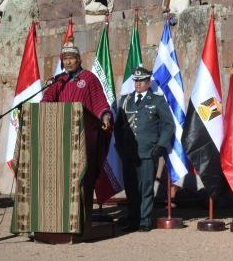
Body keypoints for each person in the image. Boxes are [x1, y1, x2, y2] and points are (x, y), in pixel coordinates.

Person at [41, 41, 112, 227]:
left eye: (71, 58)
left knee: (82, 178)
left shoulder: (88, 78)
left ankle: (82, 218)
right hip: (61, 138)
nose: (68, 62)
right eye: (65, 59)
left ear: (79, 59)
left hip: (84, 138)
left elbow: (100, 103)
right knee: (61, 179)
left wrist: (105, 116)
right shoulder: (59, 81)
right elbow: (47, 99)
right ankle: (61, 217)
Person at [114, 67, 175, 232]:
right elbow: (118, 127)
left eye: (141, 81)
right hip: (128, 152)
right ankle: (133, 219)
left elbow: (169, 125)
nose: (138, 84)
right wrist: (119, 146)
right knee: (131, 188)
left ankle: (145, 220)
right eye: (136, 81)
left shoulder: (156, 100)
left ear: (148, 82)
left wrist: (161, 145)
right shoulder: (125, 100)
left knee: (146, 187)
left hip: (148, 151)